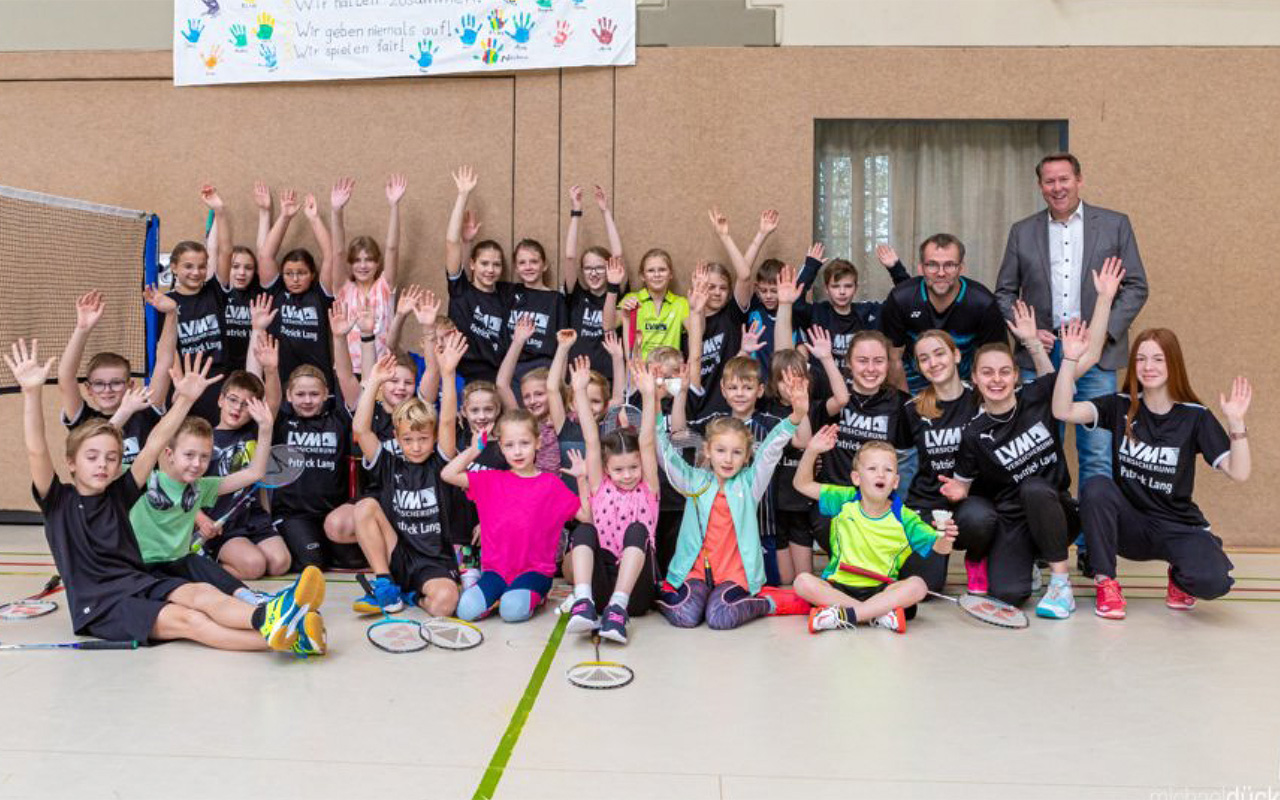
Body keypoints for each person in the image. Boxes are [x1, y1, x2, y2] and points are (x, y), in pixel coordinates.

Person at [12, 338, 326, 655]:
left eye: (110, 458)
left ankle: (268, 616)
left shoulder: (121, 493)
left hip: (137, 581)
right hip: (100, 605)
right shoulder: (57, 500)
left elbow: (154, 443)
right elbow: (36, 448)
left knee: (201, 593)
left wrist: (185, 400)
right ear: (71, 463)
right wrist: (31, 392)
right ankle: (288, 639)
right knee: (188, 620)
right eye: (92, 457)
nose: (102, 465)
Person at [940, 267, 1121, 616]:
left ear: (1014, 375)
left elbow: (1092, 354)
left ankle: (1060, 583)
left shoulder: (1039, 396)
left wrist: (1104, 299)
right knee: (1008, 593)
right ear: (974, 379)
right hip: (1014, 522)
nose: (997, 380)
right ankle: (1029, 563)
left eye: (1004, 371)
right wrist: (956, 493)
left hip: (1057, 509)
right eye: (987, 373)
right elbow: (962, 484)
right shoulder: (974, 433)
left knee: (1035, 488)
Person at [995, 153, 1150, 551]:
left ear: (1079, 179)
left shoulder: (1115, 225)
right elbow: (1005, 293)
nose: (1057, 187)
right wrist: (1032, 332)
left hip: (1096, 355)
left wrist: (1105, 337)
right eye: (1049, 181)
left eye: (1064, 179)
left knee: (1097, 453)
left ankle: (1091, 548)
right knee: (1039, 451)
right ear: (1040, 186)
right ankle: (1046, 541)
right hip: (1040, 353)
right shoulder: (1022, 231)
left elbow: (1135, 286)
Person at [1052, 325, 1248, 618]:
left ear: (1173, 363)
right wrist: (1069, 361)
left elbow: (1239, 472)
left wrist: (1236, 424)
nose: (1148, 366)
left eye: (1158, 359)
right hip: (1129, 525)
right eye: (1141, 359)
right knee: (1096, 487)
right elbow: (1062, 411)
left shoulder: (1195, 416)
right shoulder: (1119, 406)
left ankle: (1180, 579)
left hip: (1177, 526)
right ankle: (1106, 583)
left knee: (1213, 581)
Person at [653, 369, 809, 630]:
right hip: (696, 573)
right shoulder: (695, 481)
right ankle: (660, 592)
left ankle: (767, 602)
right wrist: (656, 408)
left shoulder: (749, 484)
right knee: (686, 616)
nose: (728, 459)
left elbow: (770, 450)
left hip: (735, 575)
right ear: (708, 452)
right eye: (721, 451)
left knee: (719, 617)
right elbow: (665, 456)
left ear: (747, 456)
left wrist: (796, 416)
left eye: (736, 452)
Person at [793, 435, 958, 634]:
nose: (880, 474)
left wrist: (946, 537)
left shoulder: (904, 516)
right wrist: (811, 451)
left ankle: (847, 615)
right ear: (856, 478)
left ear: (895, 481)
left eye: (888, 470)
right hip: (838, 587)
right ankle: (876, 615)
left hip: (882, 590)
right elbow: (801, 485)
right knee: (802, 581)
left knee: (918, 586)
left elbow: (940, 548)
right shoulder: (843, 499)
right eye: (872, 469)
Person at [442, 410, 590, 623]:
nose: (517, 451)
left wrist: (582, 478)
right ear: (501, 447)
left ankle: (536, 597)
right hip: (496, 572)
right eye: (509, 445)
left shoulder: (551, 484)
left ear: (538, 443)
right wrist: (475, 450)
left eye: (524, 443)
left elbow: (586, 516)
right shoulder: (490, 480)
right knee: (465, 610)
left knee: (511, 612)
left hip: (534, 572)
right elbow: (448, 474)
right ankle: (500, 595)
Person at [351, 345, 463, 617]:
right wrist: (375, 382)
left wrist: (448, 374)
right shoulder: (388, 462)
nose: (415, 447)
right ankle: (385, 584)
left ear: (433, 438)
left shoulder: (440, 462)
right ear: (397, 437)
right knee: (364, 506)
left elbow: (447, 421)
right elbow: (360, 429)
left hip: (433, 561)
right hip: (397, 552)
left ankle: (412, 596)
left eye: (423, 439)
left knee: (445, 604)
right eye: (408, 440)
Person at [563, 360, 662, 644]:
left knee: (638, 530)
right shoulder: (600, 486)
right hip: (601, 586)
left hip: (635, 593)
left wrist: (648, 394)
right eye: (619, 470)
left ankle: (617, 610)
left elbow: (645, 442)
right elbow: (591, 439)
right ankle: (583, 602)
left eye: (633, 468)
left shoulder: (648, 489)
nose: (628, 475)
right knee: (583, 531)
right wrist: (580, 391)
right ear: (607, 470)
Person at [896, 330, 997, 594]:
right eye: (924, 358)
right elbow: (904, 465)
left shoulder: (981, 400)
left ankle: (976, 557)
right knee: (925, 589)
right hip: (928, 505)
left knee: (980, 519)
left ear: (956, 355)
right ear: (918, 367)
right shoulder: (912, 409)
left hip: (969, 504)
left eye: (940, 353)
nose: (933, 363)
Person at [878, 233, 1008, 395]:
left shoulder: (982, 302)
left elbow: (995, 359)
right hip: (913, 387)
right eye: (932, 265)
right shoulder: (900, 298)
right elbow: (893, 360)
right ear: (921, 269)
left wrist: (976, 403)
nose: (941, 273)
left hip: (963, 388)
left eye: (949, 265)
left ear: (961, 268)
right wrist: (904, 406)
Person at [195, 366, 290, 582]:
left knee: (280, 563)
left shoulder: (255, 433)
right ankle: (203, 565)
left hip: (253, 518)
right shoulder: (203, 438)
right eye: (233, 400)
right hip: (220, 523)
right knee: (254, 566)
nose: (237, 408)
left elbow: (273, 401)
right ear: (220, 400)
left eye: (246, 404)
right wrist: (200, 519)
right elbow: (186, 486)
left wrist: (272, 369)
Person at [57, 291, 167, 470]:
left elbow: (164, 363)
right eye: (99, 384)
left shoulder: (143, 414)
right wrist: (82, 330)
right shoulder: (83, 421)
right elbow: (65, 377)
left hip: (145, 498)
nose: (107, 390)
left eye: (116, 382)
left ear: (130, 385)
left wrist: (171, 315)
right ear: (88, 388)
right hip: (103, 498)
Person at [257, 189, 338, 393]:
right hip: (280, 382)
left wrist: (314, 218)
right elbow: (266, 256)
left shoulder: (320, 295)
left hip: (318, 383)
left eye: (301, 273)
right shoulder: (275, 293)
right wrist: (285, 217)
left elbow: (330, 256)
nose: (294, 279)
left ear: (312, 274)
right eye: (288, 273)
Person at [329, 173, 407, 373]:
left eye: (369, 259)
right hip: (348, 372)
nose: (363, 266)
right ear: (350, 264)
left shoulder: (384, 287)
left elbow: (392, 248)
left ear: (377, 262)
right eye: (357, 260)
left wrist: (394, 206)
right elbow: (337, 252)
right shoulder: (343, 288)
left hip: (381, 371)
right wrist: (336, 211)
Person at [445, 166, 516, 383]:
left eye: (496, 265)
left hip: (495, 378)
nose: (490, 270)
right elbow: (451, 243)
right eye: (484, 263)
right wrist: (463, 195)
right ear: (473, 264)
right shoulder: (461, 291)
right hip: (461, 373)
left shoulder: (506, 296)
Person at [562, 183, 626, 377]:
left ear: (609, 269)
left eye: (600, 267)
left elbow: (618, 254)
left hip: (609, 378)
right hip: (578, 376)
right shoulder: (577, 296)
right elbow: (570, 257)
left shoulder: (617, 292)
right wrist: (576, 212)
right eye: (588, 268)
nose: (594, 273)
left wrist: (605, 211)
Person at [618, 249, 689, 362]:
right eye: (651, 270)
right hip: (641, 371)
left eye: (662, 270)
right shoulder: (631, 299)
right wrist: (612, 287)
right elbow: (608, 325)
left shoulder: (681, 303)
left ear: (670, 274)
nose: (657, 275)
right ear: (642, 276)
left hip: (670, 371)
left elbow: (699, 331)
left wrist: (697, 310)